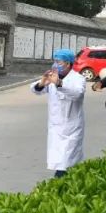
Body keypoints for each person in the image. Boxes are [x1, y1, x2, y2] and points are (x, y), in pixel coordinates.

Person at [32, 48, 86, 177]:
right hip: (56, 127)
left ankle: (60, 183)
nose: (55, 64)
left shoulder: (78, 79)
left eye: (58, 62)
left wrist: (59, 84)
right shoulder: (52, 77)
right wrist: (42, 83)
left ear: (68, 63)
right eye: (55, 61)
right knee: (61, 161)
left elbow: (77, 94)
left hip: (71, 128)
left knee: (66, 162)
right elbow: (36, 90)